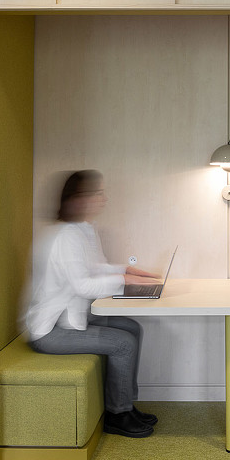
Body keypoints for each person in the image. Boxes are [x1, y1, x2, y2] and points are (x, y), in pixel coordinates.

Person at [23, 170, 161, 438]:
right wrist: (124, 279)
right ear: (79, 199)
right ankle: (117, 414)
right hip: (51, 330)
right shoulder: (65, 236)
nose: (104, 198)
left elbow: (95, 268)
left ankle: (126, 404)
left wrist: (130, 271)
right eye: (98, 193)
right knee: (124, 342)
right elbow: (82, 285)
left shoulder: (83, 230)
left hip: (75, 317)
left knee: (132, 328)